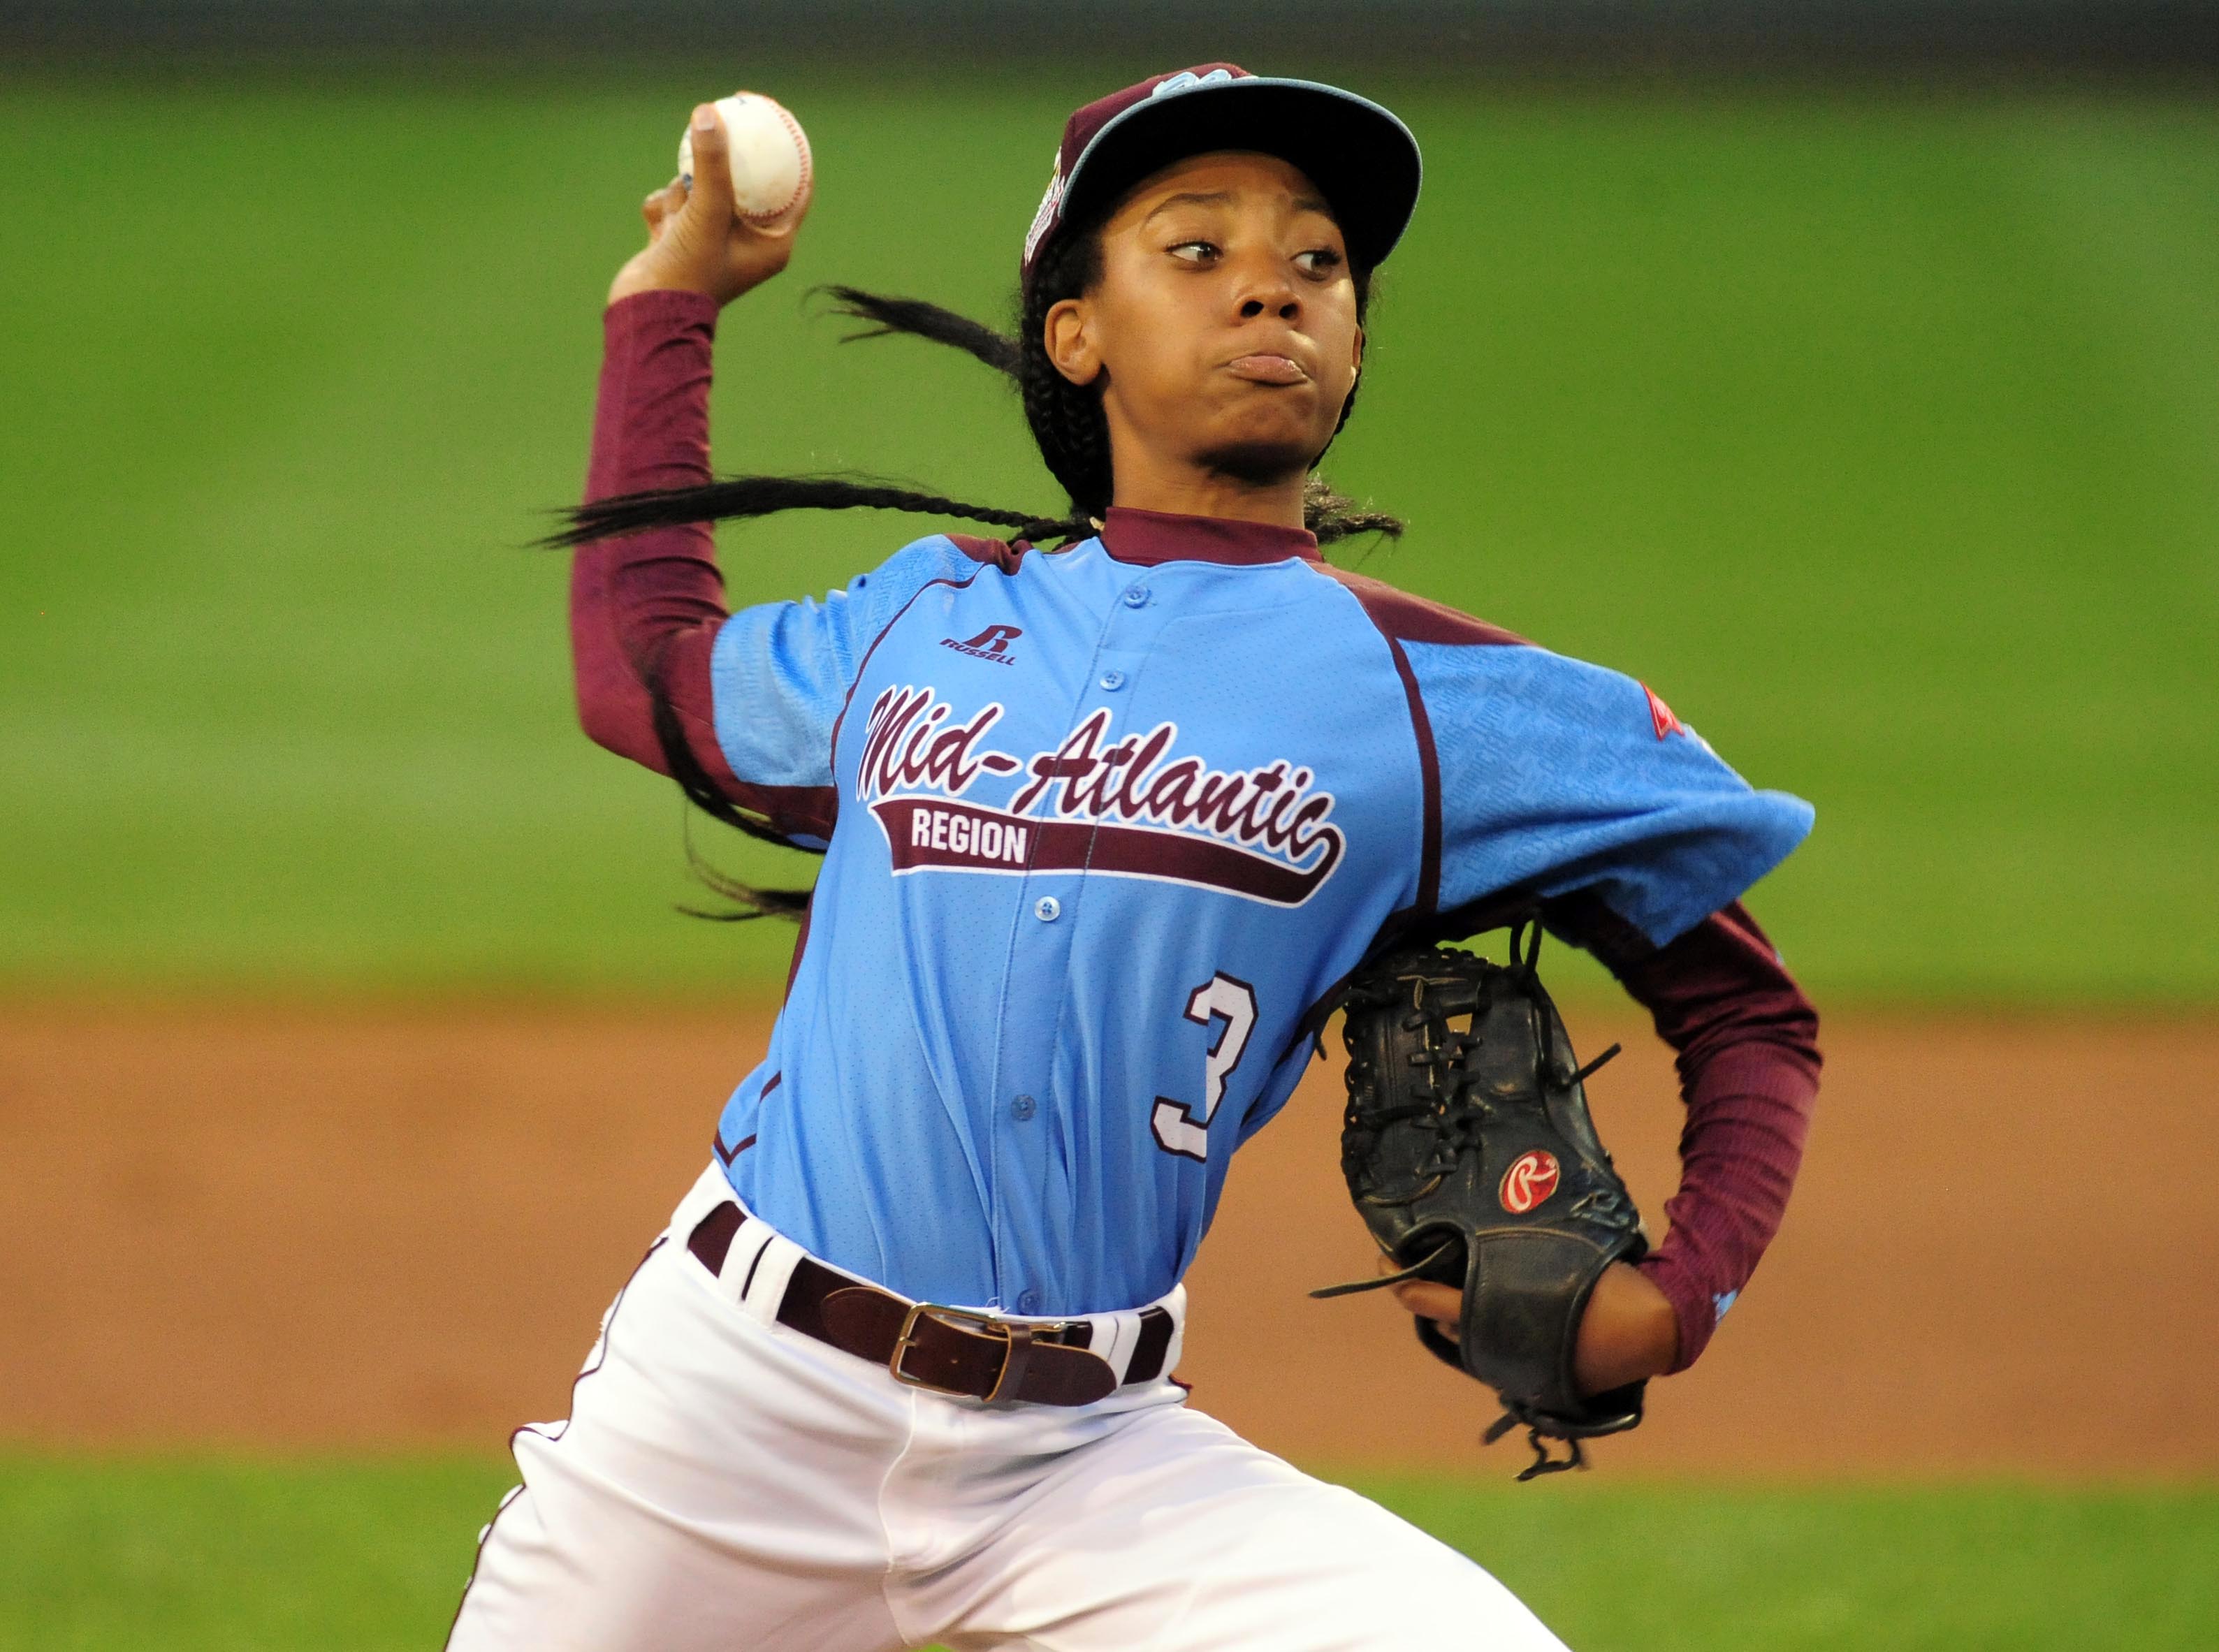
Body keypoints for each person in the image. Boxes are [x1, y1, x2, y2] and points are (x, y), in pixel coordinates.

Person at [446, 65, 1822, 1651]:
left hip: (1085, 1462)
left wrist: (1688, 1290)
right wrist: (666, 302)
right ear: (1074, 332)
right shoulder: (922, 623)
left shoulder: (1443, 707)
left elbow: (1747, 1011)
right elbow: (646, 676)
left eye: (1318, 263)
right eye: (1194, 247)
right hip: (722, 1423)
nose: (1270, 285)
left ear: (1357, 342)